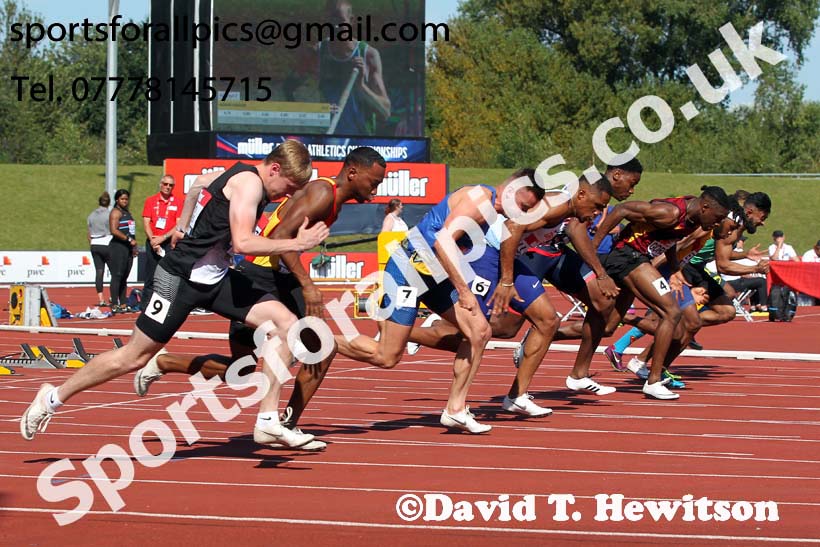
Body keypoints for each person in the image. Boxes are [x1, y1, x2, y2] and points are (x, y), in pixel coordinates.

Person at [20, 141, 330, 446]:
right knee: (133, 356)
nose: (288, 195)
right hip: (177, 279)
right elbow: (244, 244)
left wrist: (182, 224)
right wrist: (297, 245)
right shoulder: (249, 184)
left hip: (215, 279)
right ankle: (50, 398)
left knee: (286, 324)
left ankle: (267, 422)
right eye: (289, 186)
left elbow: (198, 184)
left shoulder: (238, 172)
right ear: (274, 168)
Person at [133, 147, 387, 451]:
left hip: (275, 276)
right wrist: (307, 285)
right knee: (316, 349)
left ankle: (167, 362)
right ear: (352, 173)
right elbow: (280, 237)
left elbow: (204, 185)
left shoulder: (332, 201)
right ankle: (282, 424)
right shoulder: (322, 193)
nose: (376, 189)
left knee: (240, 373)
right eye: (374, 182)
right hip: (262, 277)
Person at [335, 173, 546, 433]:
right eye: (522, 206)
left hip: (434, 274)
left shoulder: (494, 209)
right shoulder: (480, 200)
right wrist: (464, 290)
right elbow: (442, 241)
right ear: (511, 189)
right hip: (408, 270)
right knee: (387, 356)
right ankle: (323, 340)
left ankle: (455, 410)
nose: (520, 213)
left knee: (479, 331)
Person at [406, 174, 617, 416]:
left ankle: (517, 397)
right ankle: (412, 336)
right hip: (487, 252)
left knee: (546, 321)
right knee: (479, 328)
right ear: (581, 195)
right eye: (598, 206)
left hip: (510, 256)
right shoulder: (555, 206)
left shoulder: (573, 212)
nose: (599, 213)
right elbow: (511, 228)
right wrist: (506, 281)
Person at [590, 186, 732, 400]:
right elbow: (620, 210)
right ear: (705, 207)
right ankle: (653, 381)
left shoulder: (693, 218)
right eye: (718, 217)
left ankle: (548, 335)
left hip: (637, 260)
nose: (717, 224)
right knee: (672, 312)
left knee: (608, 326)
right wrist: (592, 248)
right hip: (626, 256)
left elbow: (670, 239)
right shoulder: (670, 212)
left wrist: (675, 269)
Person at [319, 0, 390, 135]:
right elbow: (289, 94)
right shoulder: (318, 53)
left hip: (360, 145)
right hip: (325, 144)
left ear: (351, 20)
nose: (335, 27)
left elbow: (385, 112)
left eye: (340, 21)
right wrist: (320, 110)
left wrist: (361, 86)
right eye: (331, 22)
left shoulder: (368, 55)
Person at [142, 175, 181, 290]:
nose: (168, 187)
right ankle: (145, 305)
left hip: (168, 242)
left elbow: (178, 224)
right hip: (152, 241)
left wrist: (162, 238)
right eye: (165, 184)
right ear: (160, 185)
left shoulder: (178, 202)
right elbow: (146, 223)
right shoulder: (150, 201)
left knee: (168, 275)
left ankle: (167, 305)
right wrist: (153, 241)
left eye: (171, 185)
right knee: (150, 276)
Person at [108, 189, 138, 313]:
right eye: (122, 199)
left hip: (127, 248)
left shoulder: (127, 212)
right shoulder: (116, 212)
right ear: (117, 200)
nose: (125, 201)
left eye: (126, 199)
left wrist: (133, 247)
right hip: (118, 247)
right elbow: (113, 230)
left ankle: (124, 304)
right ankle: (115, 304)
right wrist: (128, 239)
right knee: (117, 275)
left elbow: (131, 230)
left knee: (125, 276)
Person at [87, 192, 112, 306]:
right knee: (114, 271)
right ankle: (113, 296)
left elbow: (89, 233)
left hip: (94, 243)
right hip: (106, 242)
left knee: (99, 271)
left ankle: (101, 298)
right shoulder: (109, 214)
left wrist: (92, 243)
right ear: (109, 202)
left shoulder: (91, 215)